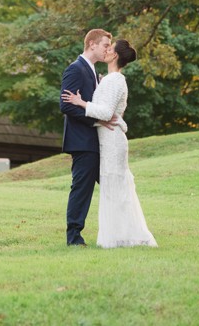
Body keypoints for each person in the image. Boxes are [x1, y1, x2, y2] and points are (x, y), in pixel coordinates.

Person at [62, 39, 157, 249]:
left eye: (110, 48)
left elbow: (106, 113)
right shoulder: (106, 78)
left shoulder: (114, 79)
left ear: (114, 55)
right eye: (106, 45)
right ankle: (115, 235)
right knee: (112, 188)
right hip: (102, 140)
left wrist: (81, 103)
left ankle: (122, 236)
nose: (107, 50)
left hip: (111, 141)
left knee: (115, 188)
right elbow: (109, 111)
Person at [60, 28, 117, 246]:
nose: (107, 50)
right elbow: (65, 105)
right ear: (92, 44)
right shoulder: (75, 69)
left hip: (96, 142)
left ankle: (119, 229)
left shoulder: (92, 71)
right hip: (82, 141)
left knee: (113, 184)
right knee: (82, 189)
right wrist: (95, 120)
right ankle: (73, 236)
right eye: (105, 45)